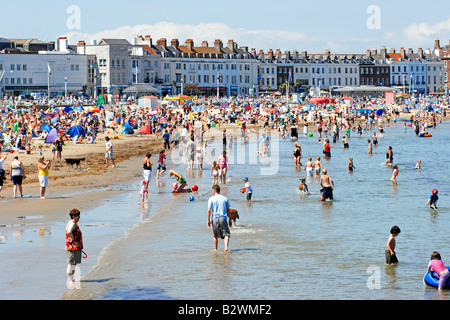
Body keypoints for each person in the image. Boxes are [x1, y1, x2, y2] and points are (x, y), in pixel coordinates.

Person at [207, 184, 231, 252]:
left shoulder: (211, 199)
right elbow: (228, 210)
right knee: (226, 234)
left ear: (214, 191)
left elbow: (209, 210)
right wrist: (230, 219)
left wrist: (208, 220)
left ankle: (215, 249)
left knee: (215, 235)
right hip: (223, 218)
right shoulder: (224, 198)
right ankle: (226, 247)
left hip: (215, 218)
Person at [66, 208, 83, 286]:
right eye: (78, 217)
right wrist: (72, 238)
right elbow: (69, 231)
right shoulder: (72, 223)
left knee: (73, 263)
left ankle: (72, 279)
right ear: (73, 216)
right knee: (72, 263)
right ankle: (71, 280)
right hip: (73, 247)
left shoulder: (71, 222)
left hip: (74, 246)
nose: (79, 218)